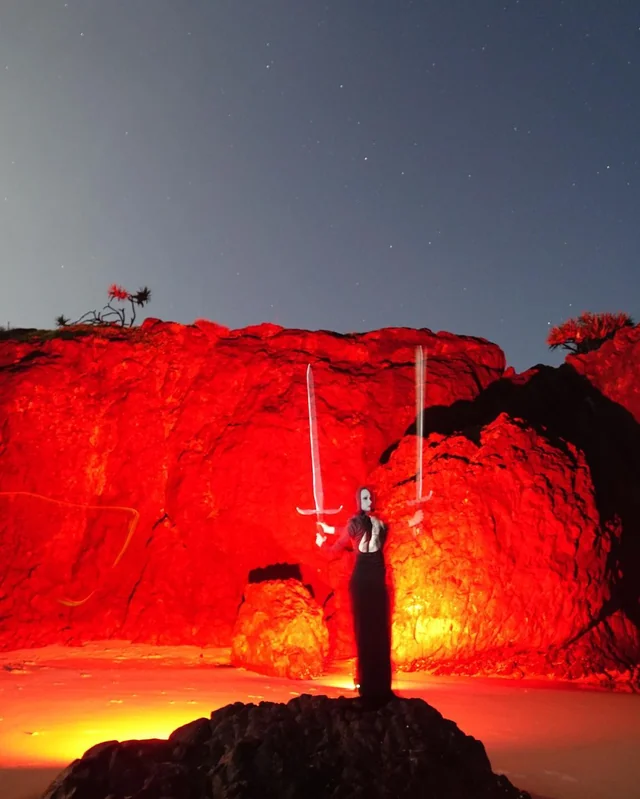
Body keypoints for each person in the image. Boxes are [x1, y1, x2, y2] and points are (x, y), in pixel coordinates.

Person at [316, 486, 395, 704]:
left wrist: (324, 538)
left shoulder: (374, 523)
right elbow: (344, 539)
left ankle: (377, 687)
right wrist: (326, 537)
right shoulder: (376, 525)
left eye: (370, 497)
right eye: (364, 498)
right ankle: (370, 686)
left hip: (374, 582)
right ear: (359, 501)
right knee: (367, 632)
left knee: (378, 633)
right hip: (365, 582)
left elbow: (349, 534)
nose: (368, 501)